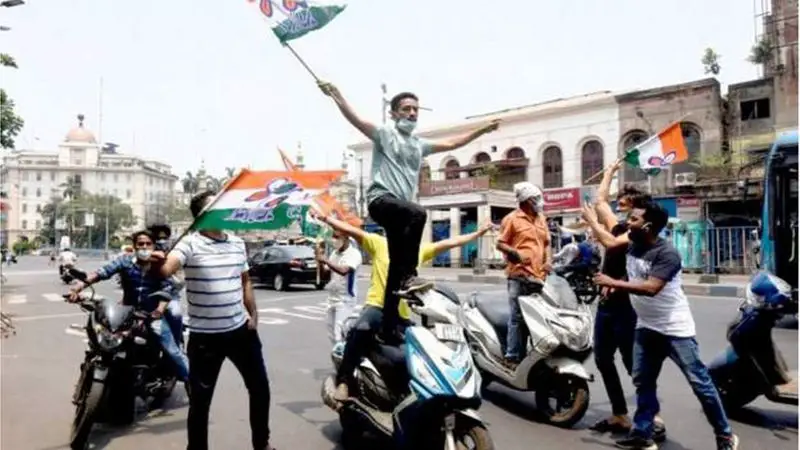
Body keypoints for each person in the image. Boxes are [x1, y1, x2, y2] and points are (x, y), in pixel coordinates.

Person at [317, 80, 500, 338]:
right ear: (393, 114)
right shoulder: (384, 134)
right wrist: (336, 95)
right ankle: (410, 275)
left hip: (398, 213)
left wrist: (480, 131)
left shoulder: (419, 144)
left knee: (394, 267)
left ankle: (389, 325)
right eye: (406, 109)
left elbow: (452, 144)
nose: (412, 113)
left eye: (415, 109)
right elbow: (355, 119)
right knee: (418, 213)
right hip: (381, 201)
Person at [591, 201, 738, 450]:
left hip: (674, 330)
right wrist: (617, 282)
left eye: (634, 219)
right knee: (643, 381)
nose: (628, 222)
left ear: (647, 226)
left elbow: (651, 287)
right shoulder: (634, 247)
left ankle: (725, 436)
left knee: (699, 383)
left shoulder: (667, 254)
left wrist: (613, 281)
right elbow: (635, 273)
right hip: (646, 327)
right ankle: (642, 434)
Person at [310, 204, 496, 402]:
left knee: (422, 346)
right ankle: (345, 381)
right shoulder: (378, 243)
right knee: (360, 330)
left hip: (402, 314)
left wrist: (479, 233)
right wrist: (325, 219)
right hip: (377, 307)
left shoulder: (416, 251)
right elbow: (350, 230)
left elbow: (452, 242)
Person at [153, 191, 274, 450]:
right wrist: (158, 263)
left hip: (241, 332)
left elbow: (245, 282)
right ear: (202, 216)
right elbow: (166, 269)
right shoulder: (189, 244)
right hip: (205, 338)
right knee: (200, 401)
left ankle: (261, 443)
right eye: (216, 206)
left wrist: (253, 315)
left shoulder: (237, 243)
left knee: (260, 389)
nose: (224, 210)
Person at [581, 163, 667, 440]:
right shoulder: (621, 226)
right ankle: (620, 413)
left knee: (634, 364)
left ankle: (651, 415)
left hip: (628, 308)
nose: (620, 210)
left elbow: (609, 242)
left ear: (639, 213)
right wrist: (609, 172)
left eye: (626, 206)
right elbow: (600, 201)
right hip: (606, 307)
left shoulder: (635, 234)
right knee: (604, 359)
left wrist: (592, 222)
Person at [68, 231, 190, 386]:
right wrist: (77, 288)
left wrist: (159, 310)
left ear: (153, 246)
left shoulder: (160, 267)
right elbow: (101, 273)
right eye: (140, 244)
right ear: (134, 246)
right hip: (126, 313)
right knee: (102, 339)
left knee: (172, 350)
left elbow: (167, 291)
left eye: (148, 244)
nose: (144, 247)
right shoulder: (125, 261)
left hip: (150, 314)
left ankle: (191, 384)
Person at [495, 182, 552, 368]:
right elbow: (500, 243)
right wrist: (515, 253)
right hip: (519, 275)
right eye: (535, 199)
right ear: (526, 201)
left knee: (536, 316)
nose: (539, 202)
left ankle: (530, 354)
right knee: (517, 318)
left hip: (538, 276)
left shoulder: (541, 218)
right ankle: (512, 356)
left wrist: (548, 260)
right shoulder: (511, 219)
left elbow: (546, 243)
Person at [317, 229, 363, 345]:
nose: (334, 240)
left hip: (345, 299)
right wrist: (320, 262)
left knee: (339, 333)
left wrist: (326, 260)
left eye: (337, 237)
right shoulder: (334, 253)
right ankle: (337, 358)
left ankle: (344, 359)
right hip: (332, 298)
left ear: (346, 238)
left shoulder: (354, 254)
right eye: (333, 237)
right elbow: (325, 276)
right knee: (331, 333)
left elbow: (344, 271)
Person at [148, 223, 185, 348]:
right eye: (158, 238)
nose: (161, 242)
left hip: (170, 295)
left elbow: (172, 282)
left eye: (164, 238)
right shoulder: (143, 251)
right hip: (146, 294)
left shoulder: (174, 254)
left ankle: (176, 344)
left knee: (176, 314)